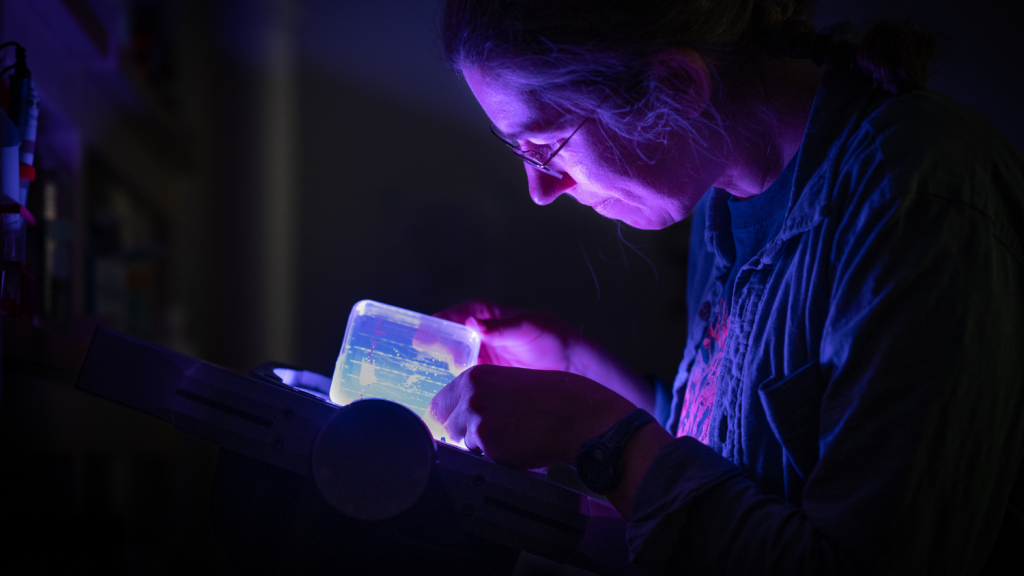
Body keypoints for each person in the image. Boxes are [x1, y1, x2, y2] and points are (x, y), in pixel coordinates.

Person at [425, 1, 1024, 573]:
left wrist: (590, 431)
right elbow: (739, 460)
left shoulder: (918, 200)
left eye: (545, 145)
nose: (540, 188)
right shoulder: (722, 186)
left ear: (678, 87)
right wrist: (573, 372)